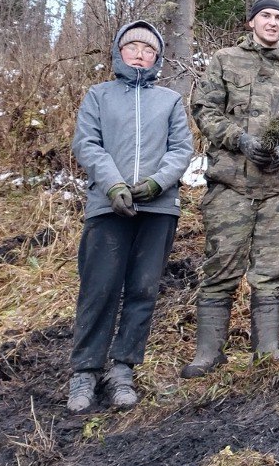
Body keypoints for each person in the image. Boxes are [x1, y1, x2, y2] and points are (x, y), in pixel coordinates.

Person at [181, 0, 279, 376]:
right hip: (230, 185)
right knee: (221, 264)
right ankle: (208, 353)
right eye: (266, 16)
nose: (273, 23)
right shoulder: (225, 60)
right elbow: (204, 110)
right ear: (252, 22)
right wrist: (240, 139)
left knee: (273, 267)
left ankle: (267, 349)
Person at [67, 21, 194, 413]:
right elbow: (87, 144)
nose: (140, 53)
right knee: (99, 288)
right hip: (108, 208)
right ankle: (85, 371)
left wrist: (157, 183)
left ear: (157, 56)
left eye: (148, 48)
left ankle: (123, 370)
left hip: (158, 209)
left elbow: (181, 148)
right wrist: (113, 185)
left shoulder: (170, 100)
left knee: (142, 289)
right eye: (132, 46)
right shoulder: (98, 96)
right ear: (118, 52)